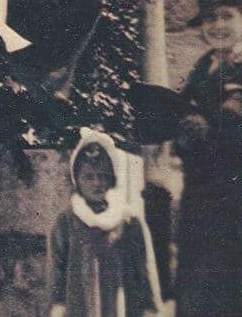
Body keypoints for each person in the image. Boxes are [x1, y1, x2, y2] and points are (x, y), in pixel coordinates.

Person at [174, 0, 242, 317]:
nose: (218, 25)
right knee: (196, 290)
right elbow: (181, 120)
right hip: (199, 195)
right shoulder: (201, 68)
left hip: (239, 200)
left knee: (237, 290)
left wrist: (209, 131)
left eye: (227, 15)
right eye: (211, 18)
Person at [48, 128, 161, 317]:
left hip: (122, 307)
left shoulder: (128, 221)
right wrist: (57, 307)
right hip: (79, 308)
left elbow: (145, 269)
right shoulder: (66, 223)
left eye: (103, 176)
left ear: (112, 179)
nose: (96, 183)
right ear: (77, 180)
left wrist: (150, 307)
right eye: (89, 176)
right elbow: (56, 274)